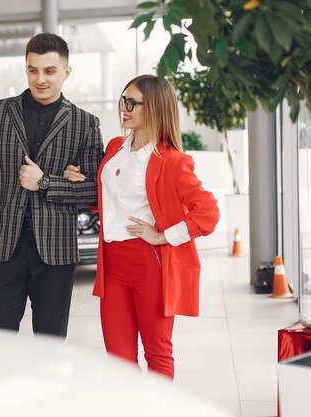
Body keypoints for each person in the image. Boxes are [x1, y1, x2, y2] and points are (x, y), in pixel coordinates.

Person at [64, 74, 219, 378]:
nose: (125, 107)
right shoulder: (114, 148)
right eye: (124, 100)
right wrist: (79, 180)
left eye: (133, 102)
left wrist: (163, 236)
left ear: (156, 109)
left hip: (150, 265)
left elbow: (208, 212)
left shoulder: (172, 160)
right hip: (111, 264)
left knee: (157, 353)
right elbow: (108, 199)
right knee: (119, 359)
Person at [0, 33, 103, 338]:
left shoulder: (84, 123)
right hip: (1, 247)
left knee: (49, 347)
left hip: (56, 252)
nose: (40, 79)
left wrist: (46, 183)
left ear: (66, 72)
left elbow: (94, 190)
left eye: (50, 71)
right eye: (32, 70)